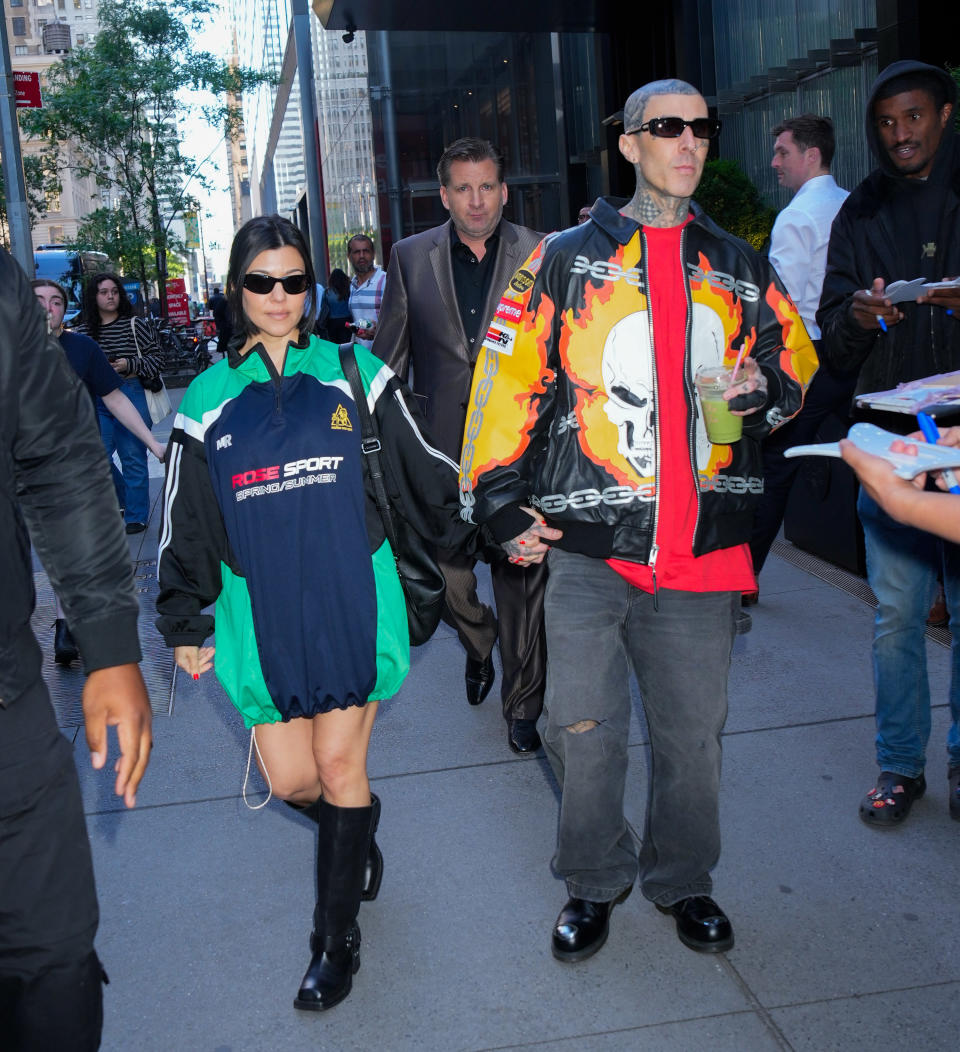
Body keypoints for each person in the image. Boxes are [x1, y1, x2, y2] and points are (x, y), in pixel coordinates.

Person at [459, 80, 816, 961]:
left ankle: (683, 881)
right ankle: (592, 880)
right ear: (628, 145)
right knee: (583, 732)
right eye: (667, 128)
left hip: (702, 551)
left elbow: (794, 361)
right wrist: (498, 500)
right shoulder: (561, 261)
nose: (688, 143)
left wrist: (764, 388)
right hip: (587, 551)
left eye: (701, 128)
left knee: (694, 740)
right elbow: (504, 384)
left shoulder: (739, 263)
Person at [156, 214, 475, 1012]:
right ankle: (354, 822)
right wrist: (185, 621)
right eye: (261, 281)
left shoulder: (353, 370)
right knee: (295, 777)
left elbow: (425, 469)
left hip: (354, 603)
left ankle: (334, 943)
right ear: (237, 290)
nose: (278, 296)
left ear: (312, 287)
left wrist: (495, 519)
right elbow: (182, 520)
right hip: (256, 616)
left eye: (293, 280)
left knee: (337, 766)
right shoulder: (205, 398)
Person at [0, 246, 152, 1051]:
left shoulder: (4, 294)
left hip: (9, 705)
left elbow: (59, 459)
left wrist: (111, 646)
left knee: (55, 963)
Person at [817, 60, 960, 828]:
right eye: (885, 123)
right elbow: (832, 337)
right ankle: (900, 766)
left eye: (912, 117)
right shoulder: (860, 212)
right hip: (891, 442)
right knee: (897, 614)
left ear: (943, 113)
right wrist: (860, 317)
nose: (899, 134)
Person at [372, 137, 547, 754]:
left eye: (488, 187)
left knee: (523, 584)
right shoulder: (410, 257)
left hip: (520, 455)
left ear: (504, 190)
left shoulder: (543, 254)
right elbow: (387, 363)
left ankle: (523, 708)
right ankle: (478, 644)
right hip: (438, 454)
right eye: (464, 189)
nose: (477, 201)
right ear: (445, 195)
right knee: (448, 583)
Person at [746, 114, 852, 601]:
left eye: (782, 152)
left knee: (775, 468)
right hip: (853, 350)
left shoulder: (796, 216)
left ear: (812, 155)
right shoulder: (850, 205)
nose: (774, 162)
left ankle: (743, 582)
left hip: (808, 358)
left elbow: (779, 301)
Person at [32, 279, 166, 665]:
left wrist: (153, 443)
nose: (49, 308)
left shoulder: (81, 348)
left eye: (56, 301)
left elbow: (115, 398)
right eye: (39, 300)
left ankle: (65, 626)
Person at [78, 273, 163, 535]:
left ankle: (136, 516)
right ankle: (125, 500)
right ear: (94, 297)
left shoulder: (136, 325)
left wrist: (129, 364)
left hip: (132, 390)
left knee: (132, 457)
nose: (110, 296)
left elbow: (158, 360)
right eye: (104, 292)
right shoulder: (83, 331)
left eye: (114, 291)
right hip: (98, 397)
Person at [346, 234, 386, 348]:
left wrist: (379, 331)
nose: (362, 256)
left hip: (384, 357)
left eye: (366, 251)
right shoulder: (353, 285)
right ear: (349, 256)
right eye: (357, 252)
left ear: (373, 254)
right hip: (362, 358)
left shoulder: (385, 281)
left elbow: (399, 320)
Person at [324, 268, 353, 344]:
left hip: (332, 322)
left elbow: (324, 308)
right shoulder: (349, 290)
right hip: (347, 321)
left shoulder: (327, 292)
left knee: (334, 346)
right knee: (346, 344)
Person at [206, 284, 233, 352]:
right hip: (227, 320)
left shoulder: (212, 298)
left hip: (221, 319)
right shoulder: (223, 298)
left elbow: (210, 308)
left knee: (221, 332)